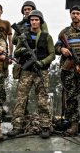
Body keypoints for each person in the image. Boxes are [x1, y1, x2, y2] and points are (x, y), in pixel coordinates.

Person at [9, 10, 55, 138]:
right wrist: (23, 49)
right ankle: (17, 126)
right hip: (27, 72)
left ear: (40, 21)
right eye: (32, 20)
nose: (34, 22)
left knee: (42, 100)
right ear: (29, 22)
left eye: (36, 20)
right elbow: (16, 53)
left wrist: (42, 62)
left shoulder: (47, 37)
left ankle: (45, 126)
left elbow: (52, 54)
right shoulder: (23, 36)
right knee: (21, 99)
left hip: (42, 71)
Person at [55, 6, 80, 136]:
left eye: (78, 13)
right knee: (71, 97)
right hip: (69, 69)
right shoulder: (65, 32)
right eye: (73, 13)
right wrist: (62, 50)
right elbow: (56, 47)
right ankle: (74, 125)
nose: (75, 15)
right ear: (70, 15)